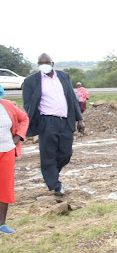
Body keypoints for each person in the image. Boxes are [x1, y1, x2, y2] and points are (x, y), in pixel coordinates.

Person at [22, 53, 85, 196]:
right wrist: (35, 122)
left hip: (65, 120)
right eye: (40, 63)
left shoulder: (64, 77)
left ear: (52, 63)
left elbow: (72, 99)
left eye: (46, 62)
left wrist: (79, 119)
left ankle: (50, 173)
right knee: (48, 154)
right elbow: (28, 104)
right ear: (38, 65)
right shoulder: (31, 81)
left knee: (66, 153)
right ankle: (56, 185)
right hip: (47, 121)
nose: (44, 65)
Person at [0, 85, 29, 233]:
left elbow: (24, 119)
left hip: (6, 151)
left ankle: (2, 224)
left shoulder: (7, 105)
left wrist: (18, 137)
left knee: (5, 187)